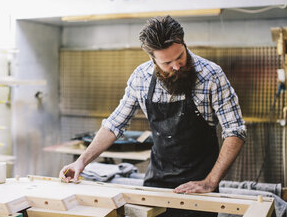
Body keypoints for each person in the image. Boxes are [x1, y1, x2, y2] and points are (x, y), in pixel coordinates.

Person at [60, 16, 246, 216]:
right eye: (167, 63)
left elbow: (235, 131)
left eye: (180, 57)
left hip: (199, 186)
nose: (176, 66)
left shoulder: (212, 76)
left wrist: (210, 181)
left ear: (184, 43)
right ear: (153, 59)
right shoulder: (141, 77)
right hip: (156, 183)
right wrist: (81, 161)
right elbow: (114, 125)